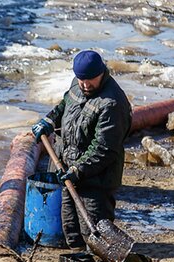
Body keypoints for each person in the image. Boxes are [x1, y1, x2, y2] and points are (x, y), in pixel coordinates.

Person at [32, 50, 132, 250]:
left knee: (95, 231)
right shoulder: (76, 86)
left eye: (90, 80)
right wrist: (49, 121)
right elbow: (65, 106)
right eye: (81, 80)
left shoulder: (112, 103)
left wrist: (78, 170)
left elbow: (104, 148)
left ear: (102, 73)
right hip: (69, 174)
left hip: (96, 180)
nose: (85, 85)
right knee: (71, 229)